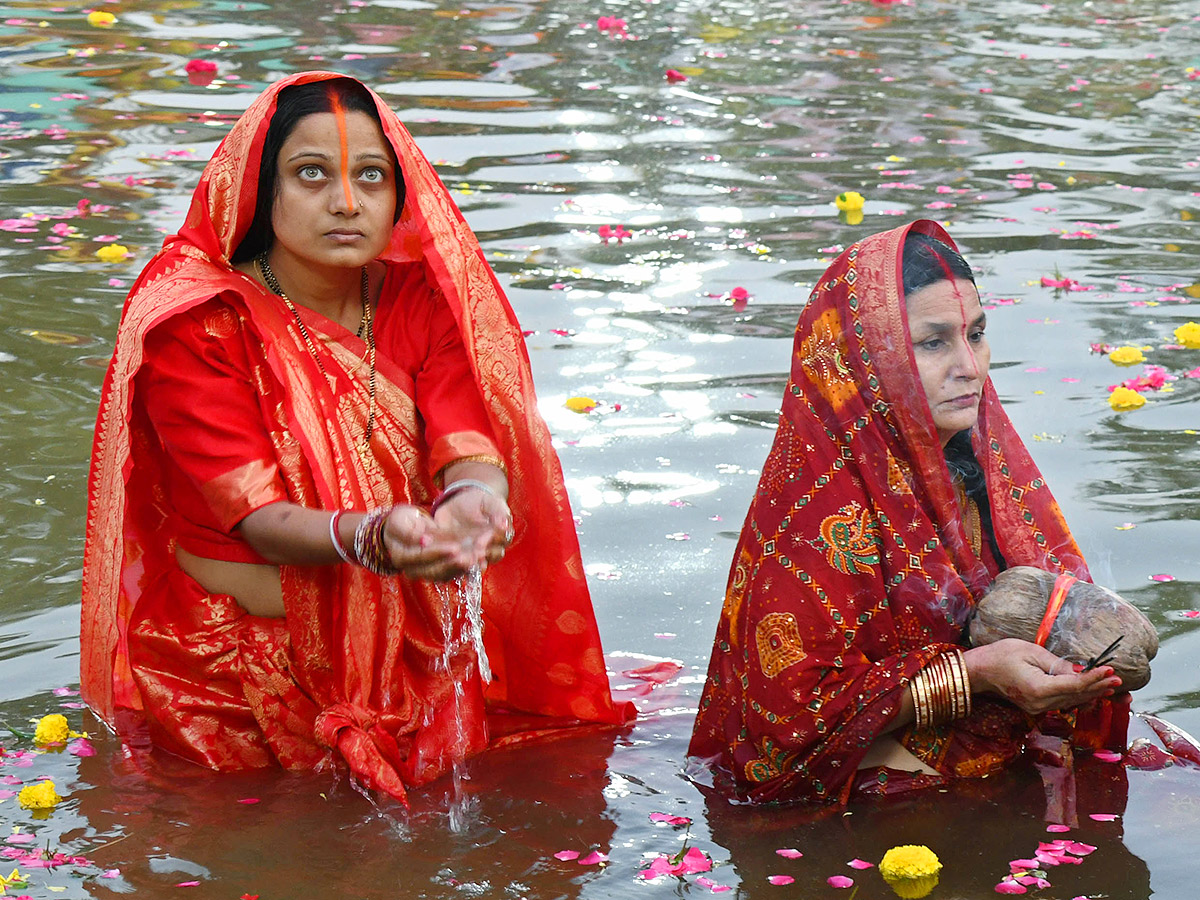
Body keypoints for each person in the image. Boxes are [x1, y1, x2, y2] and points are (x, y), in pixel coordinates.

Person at [80, 71, 631, 805]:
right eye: (311, 175)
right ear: (256, 189)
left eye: (371, 176)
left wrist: (476, 503)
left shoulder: (422, 299)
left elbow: (466, 440)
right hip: (234, 677)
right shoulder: (200, 323)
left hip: (409, 655)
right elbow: (255, 515)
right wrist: (377, 537)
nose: (347, 202)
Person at [687, 220, 1126, 806]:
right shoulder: (816, 517)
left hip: (978, 756)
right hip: (866, 797)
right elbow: (782, 738)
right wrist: (970, 675)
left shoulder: (980, 479)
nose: (970, 367)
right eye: (934, 341)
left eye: (977, 334)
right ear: (867, 359)